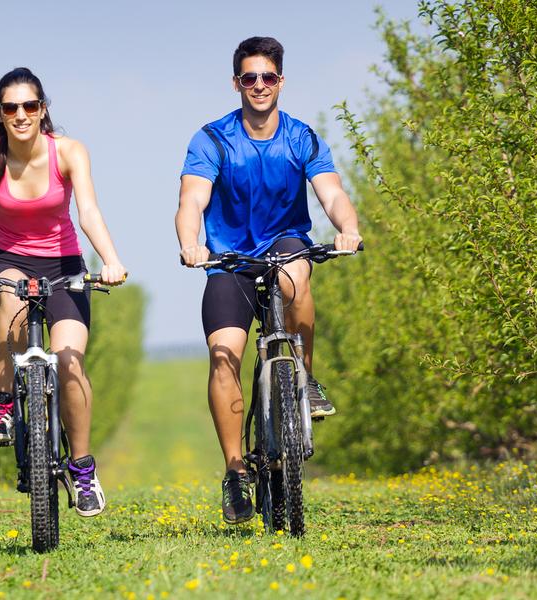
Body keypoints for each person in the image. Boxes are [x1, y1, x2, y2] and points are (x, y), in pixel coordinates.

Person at [175, 37, 362, 524]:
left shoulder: (301, 137)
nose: (259, 85)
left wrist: (349, 229)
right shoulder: (212, 139)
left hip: (283, 243)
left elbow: (332, 193)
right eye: (250, 77)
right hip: (229, 259)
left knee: (296, 271)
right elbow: (191, 201)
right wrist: (191, 242)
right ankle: (235, 471)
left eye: (269, 77)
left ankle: (304, 378)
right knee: (224, 358)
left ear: (281, 81)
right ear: (236, 82)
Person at [0, 67, 125, 517]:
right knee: (10, 301)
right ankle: (4, 404)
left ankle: (82, 468)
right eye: (11, 107)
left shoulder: (68, 151)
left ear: (43, 110)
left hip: (64, 264)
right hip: (9, 260)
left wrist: (111, 260)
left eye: (29, 105)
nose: (21, 114)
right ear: (0, 114)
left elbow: (89, 213)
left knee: (69, 362)